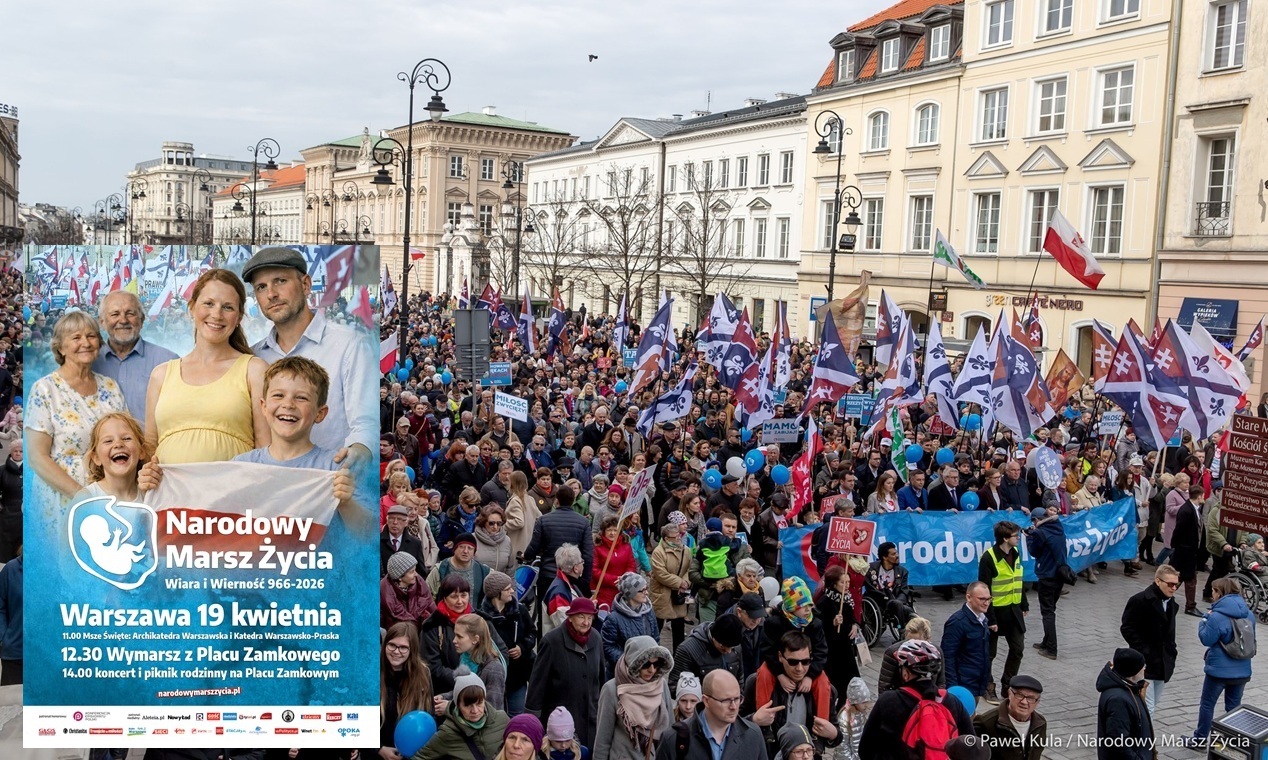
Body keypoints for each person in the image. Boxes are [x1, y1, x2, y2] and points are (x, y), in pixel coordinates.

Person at [245, 247, 377, 470]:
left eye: (280, 281)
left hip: (331, 485)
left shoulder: (349, 344)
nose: (271, 294)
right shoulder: (254, 357)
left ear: (305, 285)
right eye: (261, 287)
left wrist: (359, 451)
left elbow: (365, 421)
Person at [145, 268, 270, 463]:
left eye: (228, 307)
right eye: (208, 304)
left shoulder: (254, 370)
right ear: (192, 308)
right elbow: (150, 446)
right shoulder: (160, 375)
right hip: (170, 491)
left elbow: (265, 448)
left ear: (238, 318)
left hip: (230, 490)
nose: (217, 314)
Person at [26, 311, 127, 499]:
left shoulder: (111, 387)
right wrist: (82, 496)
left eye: (91, 336)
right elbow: (37, 457)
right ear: (61, 348)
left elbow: (126, 440)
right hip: (61, 498)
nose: (86, 343)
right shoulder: (45, 390)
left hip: (110, 494)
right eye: (76, 338)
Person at [858, 640, 974, 759]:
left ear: (905, 673)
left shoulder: (888, 701)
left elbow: (865, 749)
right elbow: (971, 744)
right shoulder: (952, 702)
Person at [741, 630, 842, 760]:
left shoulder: (825, 688)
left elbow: (837, 736)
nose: (799, 668)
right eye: (793, 662)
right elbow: (735, 726)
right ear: (780, 657)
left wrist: (833, 734)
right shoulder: (756, 682)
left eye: (805, 661)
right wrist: (753, 720)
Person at [526, 597, 606, 747]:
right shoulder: (552, 641)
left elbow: (601, 679)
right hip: (559, 724)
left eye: (590, 617)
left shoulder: (596, 638)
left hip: (590, 721)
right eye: (581, 616)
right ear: (570, 617)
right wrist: (532, 721)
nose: (586, 622)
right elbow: (538, 684)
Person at [1186, 577, 1255, 748]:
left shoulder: (1216, 616)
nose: (1212, 593)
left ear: (1220, 593)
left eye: (1213, 590)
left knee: (1208, 704)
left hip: (1219, 671)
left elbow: (1206, 639)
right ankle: (1233, 741)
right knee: (1233, 707)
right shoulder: (1249, 614)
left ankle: (1200, 739)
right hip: (1242, 670)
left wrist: (1204, 620)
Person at [92, 289, 178, 427]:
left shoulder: (168, 361)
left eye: (130, 313)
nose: (123, 320)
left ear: (142, 320)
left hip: (153, 447)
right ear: (102, 322)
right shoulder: (89, 363)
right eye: (115, 314)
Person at [759, 578, 833, 724]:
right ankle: (763, 720)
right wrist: (780, 674)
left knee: (823, 682)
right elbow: (767, 650)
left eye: (810, 605)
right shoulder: (774, 623)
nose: (808, 610)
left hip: (808, 667)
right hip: (780, 665)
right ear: (791, 606)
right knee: (763, 674)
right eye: (803, 606)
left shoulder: (815, 624)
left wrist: (810, 675)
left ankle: (822, 725)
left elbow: (821, 652)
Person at [653, 669, 769, 760]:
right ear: (706, 701)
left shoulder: (753, 735)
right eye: (725, 700)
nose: (733, 706)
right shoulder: (673, 738)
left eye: (737, 699)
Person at [593, 635, 675, 760]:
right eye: (646, 664)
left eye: (656, 663)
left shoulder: (661, 685)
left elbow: (670, 728)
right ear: (633, 663)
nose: (652, 670)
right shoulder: (612, 689)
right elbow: (602, 740)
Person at [1119, 564, 1180, 715]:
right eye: (1170, 584)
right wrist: (1143, 651)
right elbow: (1127, 628)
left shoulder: (1171, 603)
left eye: (1176, 585)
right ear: (1158, 581)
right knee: (1148, 707)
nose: (1174, 588)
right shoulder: (1140, 600)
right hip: (1146, 663)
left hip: (1163, 663)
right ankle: (1145, 738)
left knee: (1153, 704)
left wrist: (1172, 652)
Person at [979, 521, 1027, 704]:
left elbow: (1018, 580)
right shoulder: (988, 558)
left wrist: (1024, 604)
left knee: (1017, 649)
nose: (1019, 538)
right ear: (1005, 538)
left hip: (1013, 611)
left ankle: (1008, 685)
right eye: (1016, 536)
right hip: (995, 613)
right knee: (989, 654)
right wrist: (990, 618)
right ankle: (987, 687)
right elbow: (984, 590)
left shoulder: (1015, 553)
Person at [526, 484, 594, 607]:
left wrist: (526, 557)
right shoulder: (583, 522)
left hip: (548, 575)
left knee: (546, 613)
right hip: (573, 576)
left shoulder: (543, 520)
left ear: (556, 500)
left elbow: (533, 547)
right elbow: (588, 554)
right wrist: (585, 580)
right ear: (573, 500)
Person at [479, 570, 537, 717]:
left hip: (517, 677)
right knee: (494, 717)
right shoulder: (482, 618)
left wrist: (522, 647)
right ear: (496, 593)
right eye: (507, 589)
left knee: (516, 716)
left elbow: (532, 632)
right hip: (494, 679)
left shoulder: (520, 610)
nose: (512, 591)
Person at [418, 672, 510, 760]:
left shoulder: (502, 720)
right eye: (467, 705)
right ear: (458, 705)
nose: (475, 710)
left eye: (479, 703)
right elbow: (420, 757)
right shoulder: (448, 732)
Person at [377, 622, 434, 760]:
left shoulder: (423, 674)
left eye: (403, 648)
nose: (396, 651)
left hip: (413, 754)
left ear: (412, 650)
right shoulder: (372, 671)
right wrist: (378, 749)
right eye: (392, 645)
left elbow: (429, 714)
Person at [1095, 648, 1154, 760]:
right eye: (1142, 666)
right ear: (1133, 671)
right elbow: (1119, 741)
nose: (1144, 668)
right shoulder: (1118, 700)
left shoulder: (1130, 688)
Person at [1026, 501, 1067, 660]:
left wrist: (1030, 538)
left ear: (1036, 520)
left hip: (1047, 575)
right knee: (1051, 608)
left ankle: (1051, 649)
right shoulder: (1058, 527)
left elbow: (1034, 552)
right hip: (1060, 576)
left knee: (1047, 612)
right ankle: (1046, 642)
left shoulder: (1040, 533)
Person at [422, 574, 475, 695]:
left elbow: (499, 651)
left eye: (464, 595)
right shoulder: (432, 625)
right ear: (444, 598)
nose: (460, 601)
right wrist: (464, 681)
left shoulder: (479, 620)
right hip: (442, 693)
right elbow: (432, 666)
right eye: (454, 596)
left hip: (477, 692)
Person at [972, 674, 1047, 760]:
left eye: (1031, 698)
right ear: (1009, 694)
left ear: (1037, 702)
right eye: (1019, 695)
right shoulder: (986, 723)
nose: (1024, 702)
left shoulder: (1040, 724)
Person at [941, 582, 993, 704]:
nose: (986, 603)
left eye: (989, 599)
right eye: (982, 599)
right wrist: (953, 689)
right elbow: (947, 657)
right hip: (962, 686)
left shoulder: (982, 619)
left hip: (977, 683)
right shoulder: (957, 622)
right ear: (968, 597)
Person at [669, 614, 744, 696]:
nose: (729, 651)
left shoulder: (735, 646)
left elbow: (740, 678)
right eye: (723, 646)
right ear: (713, 637)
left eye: (731, 646)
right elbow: (674, 686)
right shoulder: (688, 650)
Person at [813, 566, 861, 693]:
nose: (846, 586)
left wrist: (855, 625)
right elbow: (817, 626)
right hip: (832, 651)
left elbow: (853, 617)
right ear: (834, 583)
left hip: (846, 648)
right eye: (843, 582)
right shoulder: (824, 601)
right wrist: (832, 623)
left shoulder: (848, 598)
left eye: (848, 582)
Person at [602, 572, 660, 674]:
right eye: (642, 590)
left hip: (647, 670)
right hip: (623, 673)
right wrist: (629, 661)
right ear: (631, 593)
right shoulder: (614, 619)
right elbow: (607, 647)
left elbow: (656, 638)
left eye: (646, 589)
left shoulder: (649, 611)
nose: (646, 593)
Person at [651, 521, 693, 651]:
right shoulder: (658, 552)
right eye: (675, 536)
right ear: (666, 539)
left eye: (679, 535)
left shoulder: (686, 550)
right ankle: (654, 653)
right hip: (662, 594)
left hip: (679, 594)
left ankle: (678, 658)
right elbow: (661, 574)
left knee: (679, 629)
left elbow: (690, 568)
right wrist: (679, 582)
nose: (679, 538)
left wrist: (686, 582)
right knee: (656, 628)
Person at [877, 616, 945, 694]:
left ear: (927, 640)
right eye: (910, 641)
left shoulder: (936, 653)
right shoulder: (893, 652)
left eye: (919, 643)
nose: (914, 648)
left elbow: (940, 683)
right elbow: (884, 686)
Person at [454, 613, 508, 711]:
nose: (454, 640)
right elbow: (463, 691)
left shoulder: (494, 669)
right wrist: (444, 697)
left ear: (475, 639)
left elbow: (492, 709)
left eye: (459, 636)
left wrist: (449, 707)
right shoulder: (465, 658)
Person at [1171, 485, 1206, 616]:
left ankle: (1190, 605)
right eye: (1203, 495)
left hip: (1191, 552)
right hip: (1184, 551)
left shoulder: (1196, 509)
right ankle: (1188, 605)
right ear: (1198, 496)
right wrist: (1179, 547)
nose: (1204, 497)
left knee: (1188, 578)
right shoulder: (1186, 510)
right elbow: (1179, 530)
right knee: (1180, 577)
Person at [381, 550, 437, 632]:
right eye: (412, 572)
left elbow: (432, 608)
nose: (416, 574)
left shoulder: (420, 584)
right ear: (400, 577)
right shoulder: (383, 593)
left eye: (415, 570)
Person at [864, 542, 915, 629]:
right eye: (894, 554)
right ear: (885, 557)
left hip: (895, 601)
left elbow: (903, 590)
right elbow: (870, 588)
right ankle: (901, 630)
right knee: (900, 606)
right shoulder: (870, 569)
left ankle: (912, 626)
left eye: (897, 553)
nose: (897, 556)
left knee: (907, 610)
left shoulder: (902, 571)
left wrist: (898, 601)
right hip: (879, 600)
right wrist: (886, 598)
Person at [592, 514, 637, 610]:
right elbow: (595, 571)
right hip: (604, 592)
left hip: (623, 590)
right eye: (609, 530)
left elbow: (631, 565)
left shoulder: (626, 546)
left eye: (615, 530)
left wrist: (625, 578)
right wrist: (615, 579)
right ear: (603, 532)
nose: (612, 533)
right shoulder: (597, 548)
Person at [428, 532, 492, 598]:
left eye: (470, 548)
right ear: (454, 549)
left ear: (474, 552)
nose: (465, 551)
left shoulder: (484, 571)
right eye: (461, 547)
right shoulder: (440, 569)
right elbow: (427, 596)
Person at [543, 543, 588, 633]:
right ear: (575, 568)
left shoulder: (567, 583)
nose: (583, 564)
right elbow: (566, 625)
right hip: (561, 644)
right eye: (581, 562)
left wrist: (588, 606)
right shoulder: (559, 593)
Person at [382, 504, 426, 577]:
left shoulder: (415, 543)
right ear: (387, 520)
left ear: (406, 522)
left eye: (399, 519)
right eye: (392, 518)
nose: (395, 522)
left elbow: (421, 573)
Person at [505, 470, 540, 561]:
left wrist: (503, 525)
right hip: (528, 544)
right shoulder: (530, 499)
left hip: (516, 545)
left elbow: (519, 522)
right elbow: (540, 518)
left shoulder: (515, 500)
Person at [475, 504, 516, 575]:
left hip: (500, 584)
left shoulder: (507, 540)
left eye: (499, 523)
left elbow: (510, 570)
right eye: (491, 523)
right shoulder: (473, 539)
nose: (495, 527)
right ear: (484, 522)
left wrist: (511, 585)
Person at [0, 546, 20, 685]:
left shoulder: (54, 569)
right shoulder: (10, 569)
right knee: (11, 706)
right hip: (15, 656)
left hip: (46, 657)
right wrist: (3, 637)